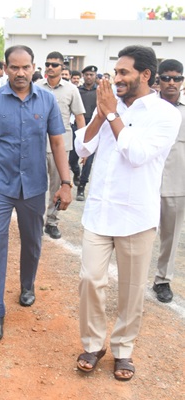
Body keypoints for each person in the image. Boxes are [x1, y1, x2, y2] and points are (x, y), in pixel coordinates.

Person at [74, 45, 181, 382]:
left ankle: (123, 350)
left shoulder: (166, 114)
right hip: (99, 210)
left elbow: (136, 153)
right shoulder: (110, 104)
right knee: (90, 279)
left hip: (136, 216)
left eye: (124, 73)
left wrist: (110, 114)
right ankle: (93, 343)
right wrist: (101, 115)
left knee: (132, 289)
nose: (116, 78)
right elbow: (82, 147)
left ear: (145, 76)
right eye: (115, 72)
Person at [0, 45, 72, 342]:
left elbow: (58, 144)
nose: (21, 73)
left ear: (33, 67)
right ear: (6, 68)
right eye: (14, 67)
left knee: (33, 242)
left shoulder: (47, 101)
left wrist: (65, 182)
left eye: (26, 67)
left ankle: (28, 284)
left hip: (35, 187)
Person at [35, 51, 86, 240]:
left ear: (62, 68)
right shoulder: (37, 86)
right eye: (48, 63)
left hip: (61, 146)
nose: (50, 67)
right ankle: (36, 222)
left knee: (58, 186)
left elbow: (79, 117)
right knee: (38, 186)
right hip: (38, 145)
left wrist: (84, 145)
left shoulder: (71, 89)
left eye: (54, 64)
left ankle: (52, 222)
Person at [153, 59, 185, 303]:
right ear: (158, 79)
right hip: (146, 182)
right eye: (166, 78)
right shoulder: (147, 108)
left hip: (177, 183)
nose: (171, 82)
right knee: (136, 234)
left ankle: (162, 280)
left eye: (177, 78)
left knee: (171, 235)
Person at [73, 65, 99, 201]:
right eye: (87, 74)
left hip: (94, 126)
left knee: (88, 161)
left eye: (92, 75)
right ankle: (76, 172)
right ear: (83, 76)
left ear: (95, 76)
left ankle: (82, 187)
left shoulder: (100, 92)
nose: (89, 77)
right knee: (72, 158)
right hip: (77, 126)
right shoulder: (77, 91)